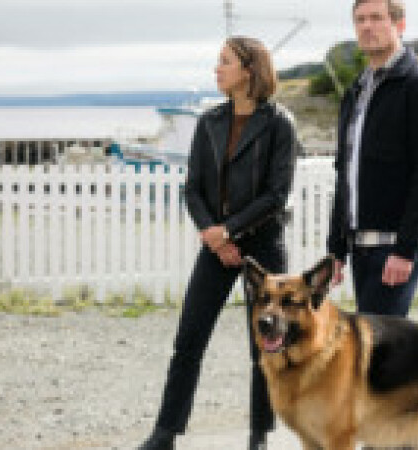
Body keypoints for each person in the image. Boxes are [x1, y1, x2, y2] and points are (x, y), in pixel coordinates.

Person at [138, 37, 297, 450]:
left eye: (225, 62)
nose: (217, 69)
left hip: (264, 246)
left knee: (264, 345)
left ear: (249, 70)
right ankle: (165, 434)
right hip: (216, 247)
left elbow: (276, 194)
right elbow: (193, 188)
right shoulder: (209, 122)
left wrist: (229, 231)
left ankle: (259, 437)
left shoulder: (279, 123)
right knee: (188, 339)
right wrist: (215, 234)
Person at [327, 0, 418, 317]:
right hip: (360, 245)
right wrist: (336, 248)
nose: (367, 26)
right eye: (360, 20)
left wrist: (405, 249)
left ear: (400, 24)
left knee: (378, 341)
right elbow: (346, 173)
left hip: (397, 245)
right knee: (374, 341)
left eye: (376, 18)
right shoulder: (356, 91)